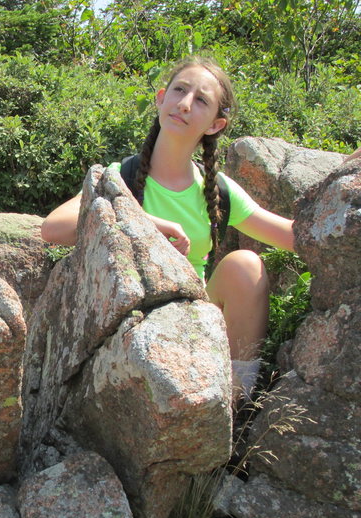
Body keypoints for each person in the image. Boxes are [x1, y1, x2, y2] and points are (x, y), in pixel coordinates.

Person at [41, 56, 294, 403]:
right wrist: (139, 222)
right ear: (161, 98)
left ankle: (237, 403)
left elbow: (296, 236)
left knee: (245, 265)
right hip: (129, 322)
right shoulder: (121, 178)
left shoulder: (218, 191)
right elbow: (53, 228)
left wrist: (347, 179)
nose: (185, 104)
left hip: (194, 322)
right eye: (179, 90)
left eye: (201, 100)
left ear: (216, 125)